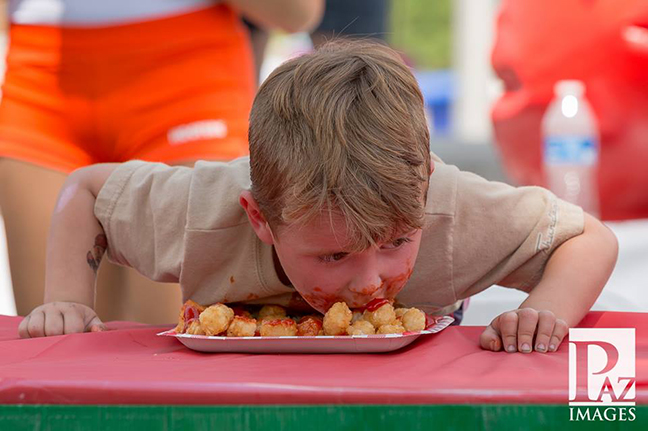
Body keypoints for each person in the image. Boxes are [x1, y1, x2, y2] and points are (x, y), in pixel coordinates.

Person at [18, 40, 618, 354]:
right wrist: (66, 300)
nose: (368, 282)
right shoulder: (203, 210)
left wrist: (545, 311)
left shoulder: (449, 210)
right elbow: (88, 191)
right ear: (260, 218)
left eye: (396, 244)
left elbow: (589, 235)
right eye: (333, 257)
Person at [0, 0, 323, 324]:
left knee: (173, 345)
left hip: (187, 79)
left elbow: (298, 13)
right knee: (54, 341)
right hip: (39, 76)